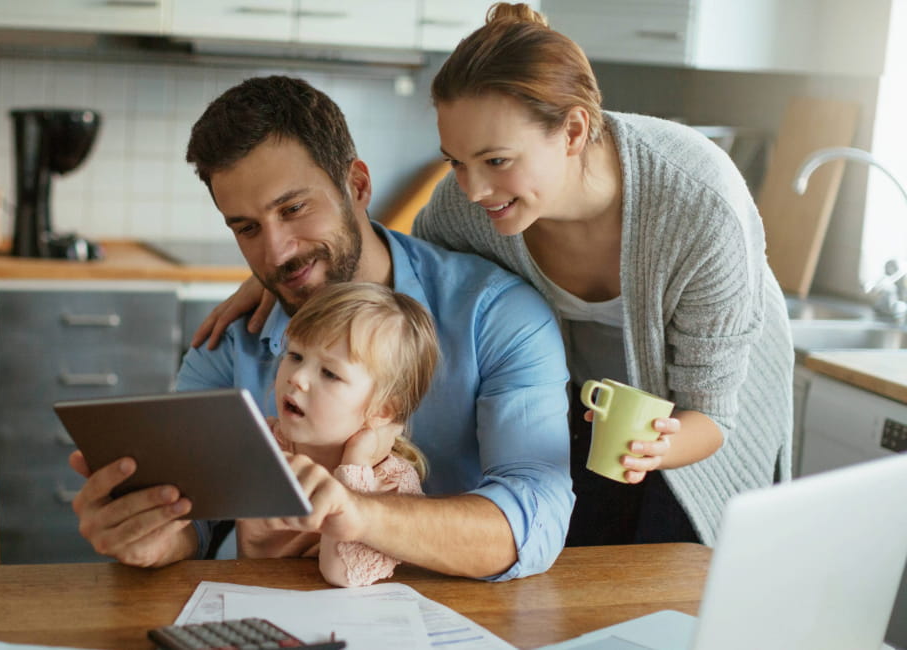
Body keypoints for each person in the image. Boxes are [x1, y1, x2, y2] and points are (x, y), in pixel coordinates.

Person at [196, 5, 795, 548]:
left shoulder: (698, 203)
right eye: (457, 162)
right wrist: (284, 272)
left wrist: (658, 446)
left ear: (575, 132)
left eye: (496, 162)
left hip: (699, 419)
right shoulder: (470, 205)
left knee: (683, 569)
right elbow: (403, 279)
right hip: (590, 413)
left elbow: (713, 413)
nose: (473, 187)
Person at [69, 74, 574, 581]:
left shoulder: (497, 316)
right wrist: (153, 535)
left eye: (293, 208)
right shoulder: (229, 342)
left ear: (356, 186)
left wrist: (358, 515)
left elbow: (535, 518)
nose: (276, 253)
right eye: (246, 227)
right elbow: (194, 516)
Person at [240, 281, 437, 587]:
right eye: (294, 355)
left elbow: (341, 573)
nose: (298, 378)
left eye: (330, 373)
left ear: (382, 410)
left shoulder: (390, 482)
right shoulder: (265, 443)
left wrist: (353, 466)